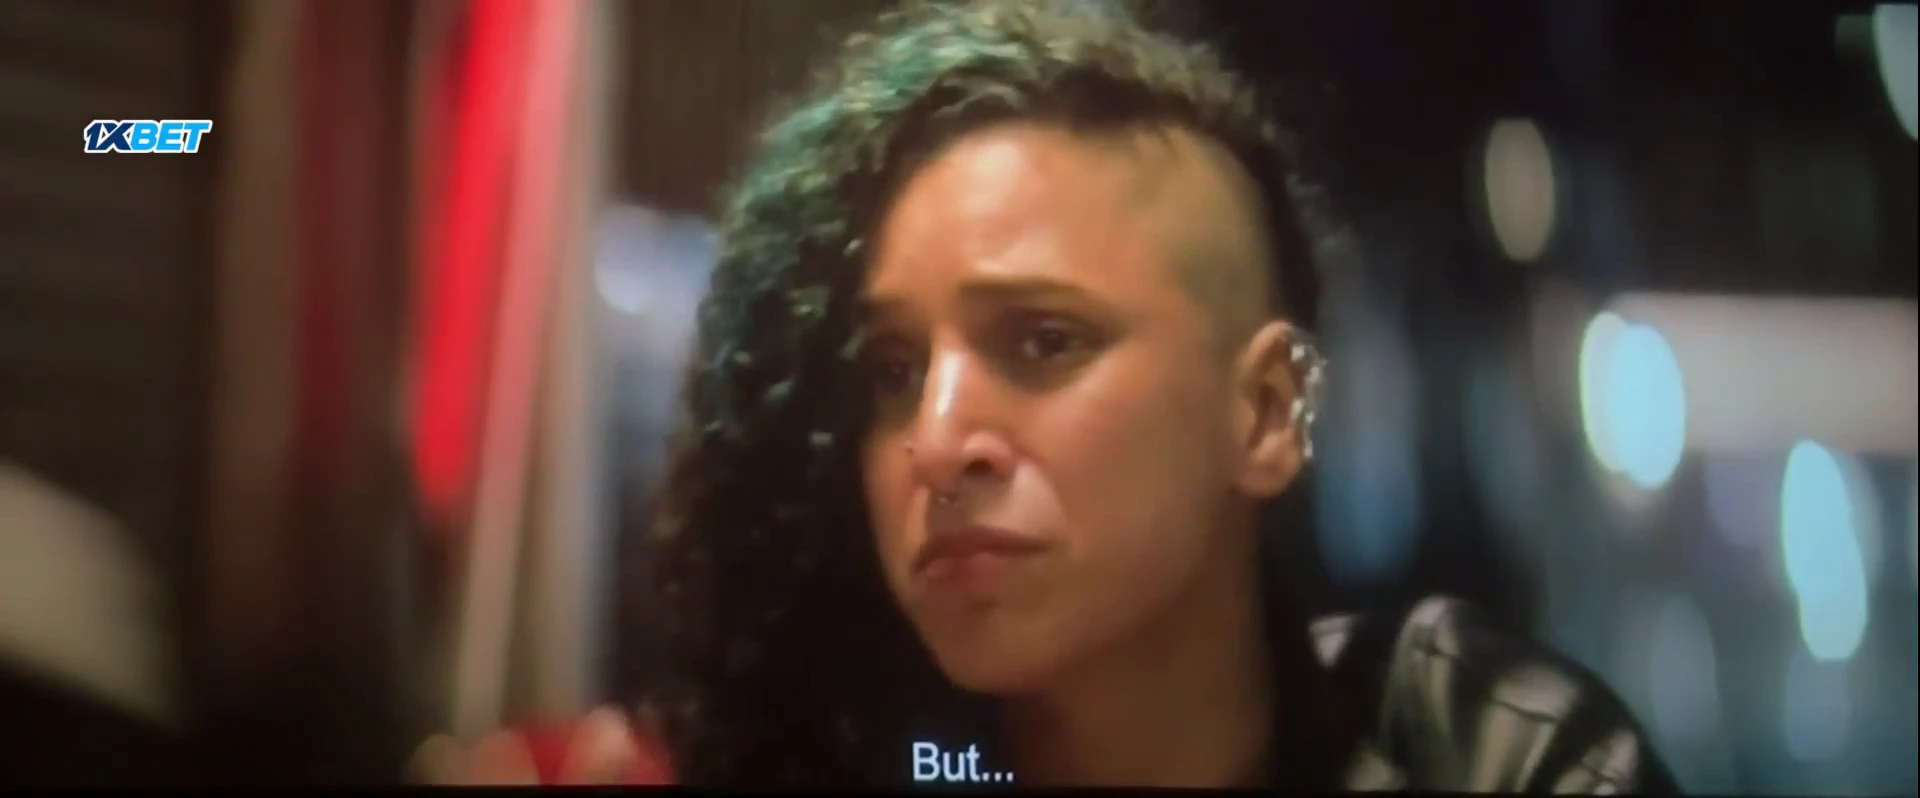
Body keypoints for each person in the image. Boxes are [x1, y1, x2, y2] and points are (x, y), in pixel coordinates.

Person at [418, 0, 1680, 790]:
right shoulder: (836, 761)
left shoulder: (1478, 752)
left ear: (1265, 412)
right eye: (890, 371)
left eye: (1041, 341)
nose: (936, 440)